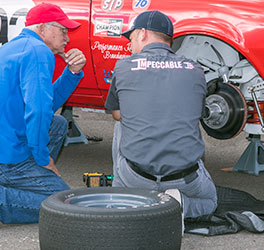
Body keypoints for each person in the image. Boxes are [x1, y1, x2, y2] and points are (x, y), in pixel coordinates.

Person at [105, 10, 217, 223]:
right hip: (184, 177)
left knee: (121, 122)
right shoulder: (195, 69)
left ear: (143, 34)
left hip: (136, 176)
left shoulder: (123, 66)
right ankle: (177, 204)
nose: (130, 45)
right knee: (209, 203)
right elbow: (197, 112)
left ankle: (123, 200)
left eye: (131, 38)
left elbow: (117, 114)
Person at [0, 3, 86, 224]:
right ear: (43, 28)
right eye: (63, 30)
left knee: (56, 123)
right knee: (69, 206)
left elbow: (46, 107)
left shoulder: (14, 47)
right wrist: (42, 158)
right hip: (8, 159)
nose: (67, 37)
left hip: (6, 142)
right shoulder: (38, 52)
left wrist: (72, 73)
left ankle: (19, 179)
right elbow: (37, 112)